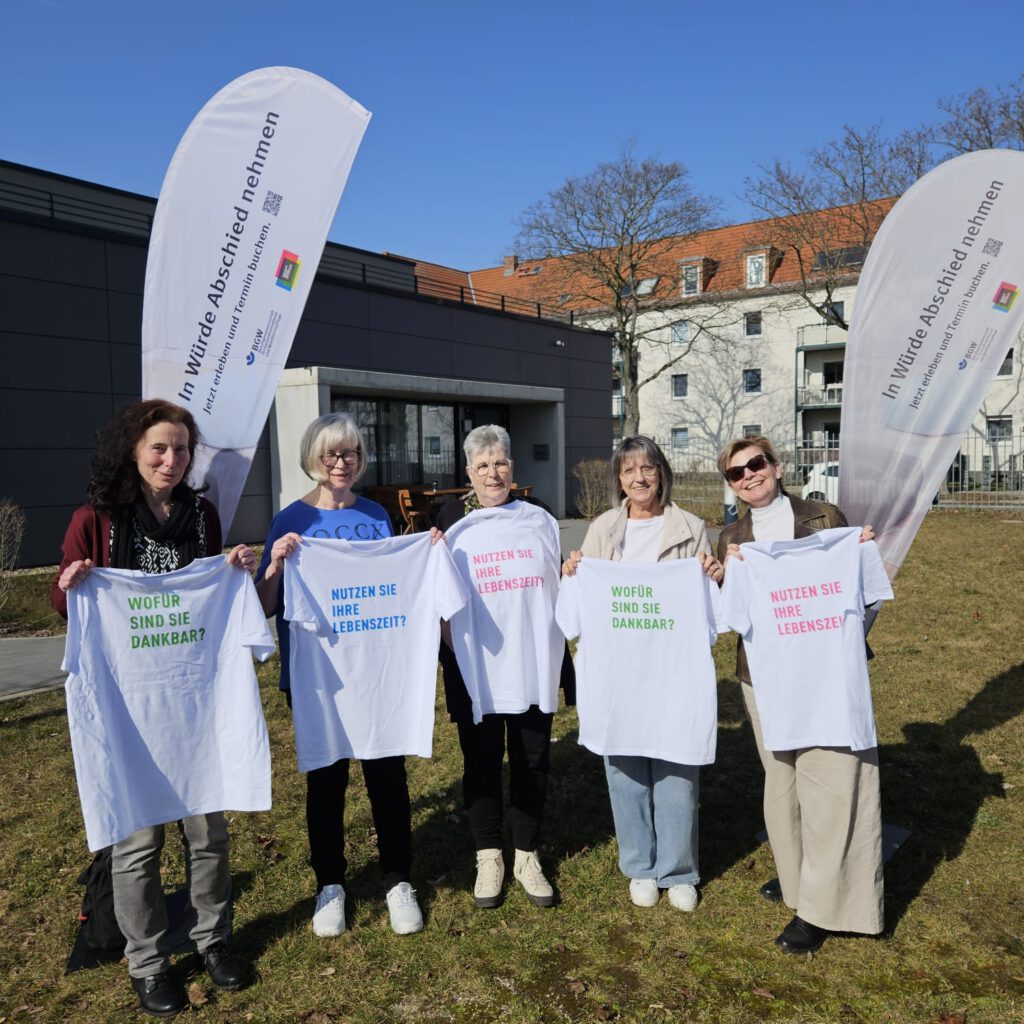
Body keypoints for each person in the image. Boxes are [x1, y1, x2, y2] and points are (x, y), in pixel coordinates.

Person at [52, 399, 256, 1018]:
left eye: (182, 450)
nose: (171, 460)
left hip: (193, 700)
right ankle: (147, 961)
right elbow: (71, 610)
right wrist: (69, 585)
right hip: (129, 707)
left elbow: (209, 598)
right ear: (134, 451)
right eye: (159, 448)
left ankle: (213, 939)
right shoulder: (97, 518)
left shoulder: (202, 515)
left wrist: (233, 568)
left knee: (207, 832)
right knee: (137, 840)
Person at [255, 412, 425, 938]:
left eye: (349, 453)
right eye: (330, 454)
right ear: (313, 457)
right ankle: (330, 885)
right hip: (316, 676)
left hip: (375, 672)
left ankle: (398, 878)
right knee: (325, 782)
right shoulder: (288, 521)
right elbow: (264, 603)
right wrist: (277, 566)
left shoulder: (377, 515)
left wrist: (427, 554)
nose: (340, 463)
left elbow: (395, 582)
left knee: (387, 777)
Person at [716, 435, 882, 953]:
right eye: (736, 473)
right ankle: (798, 884)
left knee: (831, 781)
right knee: (781, 782)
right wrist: (723, 575)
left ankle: (822, 910)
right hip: (761, 678)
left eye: (756, 464)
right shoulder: (731, 538)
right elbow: (732, 613)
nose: (749, 476)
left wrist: (860, 551)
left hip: (825, 674)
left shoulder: (824, 520)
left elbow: (862, 595)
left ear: (777, 465)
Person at [562, 435, 723, 912]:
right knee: (625, 767)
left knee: (677, 766)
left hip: (672, 670)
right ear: (618, 479)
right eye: (629, 471)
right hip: (619, 673)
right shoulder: (603, 529)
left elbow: (708, 607)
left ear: (662, 473)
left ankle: (678, 869)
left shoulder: (690, 527)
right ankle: (638, 865)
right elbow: (580, 597)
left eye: (648, 468)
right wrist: (573, 570)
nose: (640, 479)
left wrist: (712, 575)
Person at [436, 424, 568, 909]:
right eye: (483, 464)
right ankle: (488, 854)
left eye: (501, 462)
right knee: (482, 761)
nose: (494, 472)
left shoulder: (541, 519)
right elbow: (436, 597)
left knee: (533, 760)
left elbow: (560, 584)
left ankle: (527, 855)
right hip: (478, 668)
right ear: (468, 472)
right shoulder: (449, 522)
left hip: (532, 661)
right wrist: (457, 651)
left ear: (513, 468)